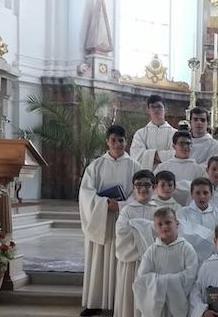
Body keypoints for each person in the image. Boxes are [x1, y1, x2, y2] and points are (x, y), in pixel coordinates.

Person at [79, 125, 141, 317]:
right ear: (107, 141)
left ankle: (119, 302)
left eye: (121, 140)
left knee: (121, 260)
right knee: (99, 260)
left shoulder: (135, 167)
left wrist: (121, 206)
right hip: (101, 220)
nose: (117, 144)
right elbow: (85, 193)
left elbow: (140, 193)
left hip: (124, 220)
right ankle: (94, 302)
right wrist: (105, 203)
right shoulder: (96, 166)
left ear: (126, 142)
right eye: (113, 140)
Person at [133, 207, 198, 317]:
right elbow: (142, 278)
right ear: (155, 227)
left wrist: (163, 282)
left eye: (168, 222)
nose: (164, 226)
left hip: (179, 303)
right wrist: (166, 284)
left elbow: (190, 275)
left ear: (177, 224)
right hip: (157, 305)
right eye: (160, 224)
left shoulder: (187, 248)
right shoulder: (151, 251)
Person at [114, 170, 159, 317]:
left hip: (153, 263)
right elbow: (121, 231)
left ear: (154, 187)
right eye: (138, 185)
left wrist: (137, 225)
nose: (143, 189)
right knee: (130, 297)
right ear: (133, 188)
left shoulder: (159, 210)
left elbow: (164, 231)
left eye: (147, 185)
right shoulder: (127, 210)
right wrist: (147, 227)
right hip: (132, 263)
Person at [154, 131, 208, 205]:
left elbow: (205, 190)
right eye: (181, 143)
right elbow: (154, 189)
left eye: (188, 143)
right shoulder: (163, 167)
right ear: (174, 146)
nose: (185, 146)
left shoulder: (199, 169)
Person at [130, 95, 176, 170]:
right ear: (148, 110)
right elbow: (136, 156)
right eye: (152, 107)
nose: (156, 110)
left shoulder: (174, 133)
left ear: (165, 109)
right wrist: (162, 157)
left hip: (167, 176)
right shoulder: (140, 134)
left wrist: (150, 157)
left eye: (159, 106)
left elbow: (176, 155)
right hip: (146, 177)